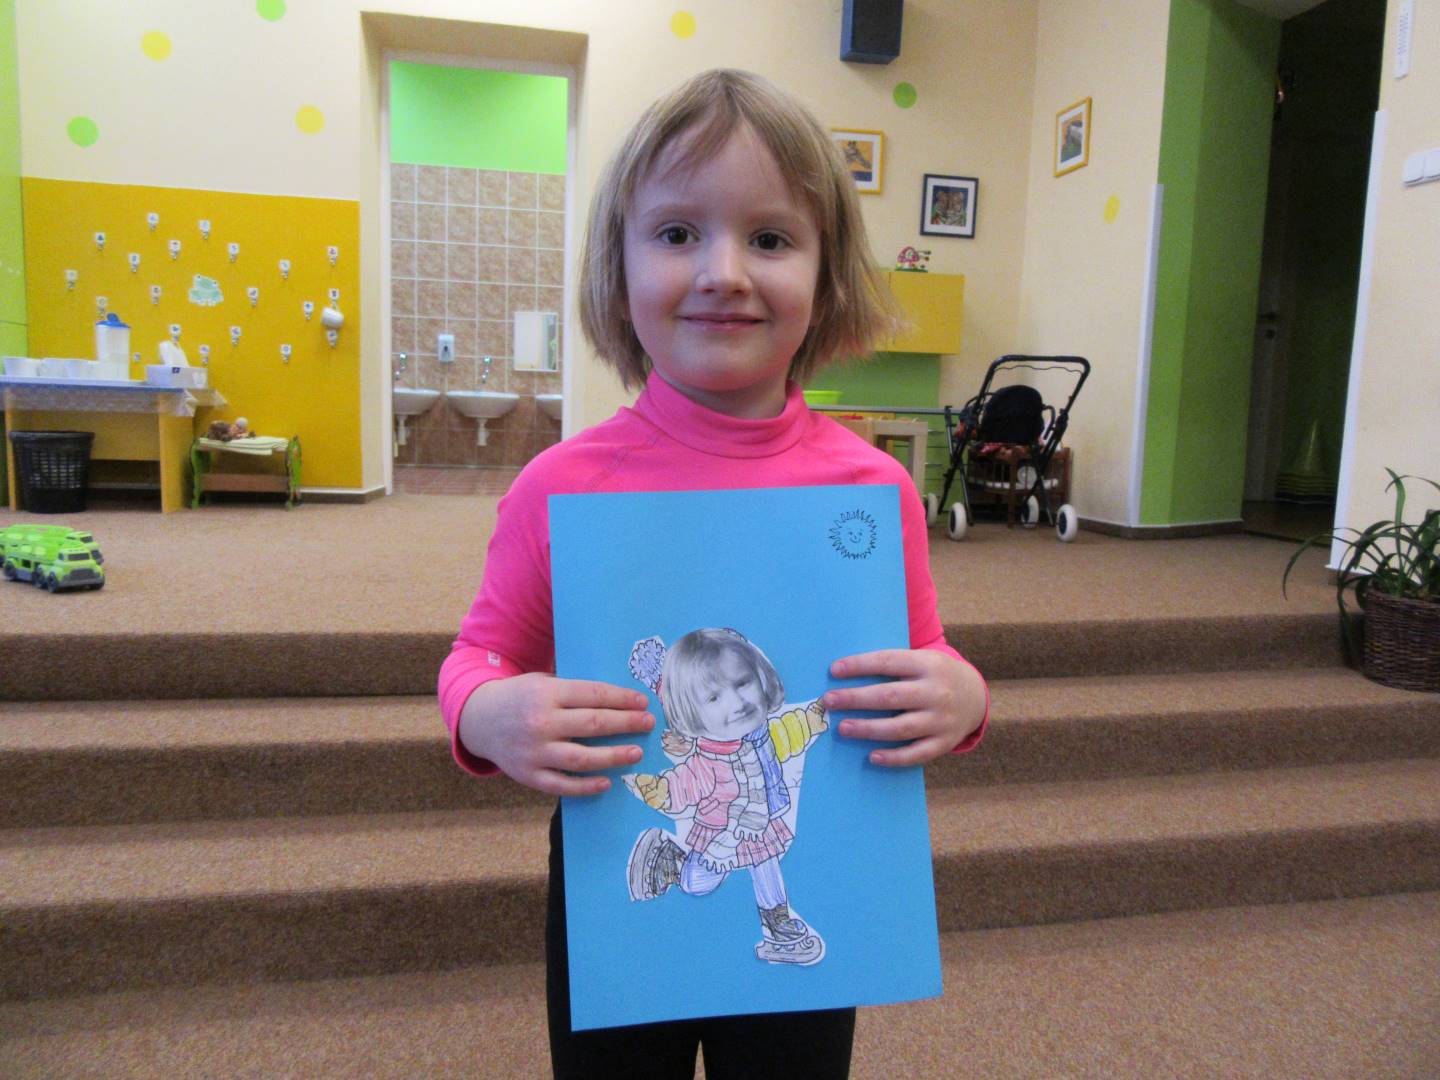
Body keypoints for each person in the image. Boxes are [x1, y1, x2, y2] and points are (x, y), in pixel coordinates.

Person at [438, 67, 989, 1079]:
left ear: (829, 276)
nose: (724, 271)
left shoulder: (872, 489)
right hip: (613, 895)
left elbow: (925, 657)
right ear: (617, 266)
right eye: (678, 233)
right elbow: (480, 654)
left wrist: (963, 696)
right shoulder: (560, 485)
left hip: (815, 864)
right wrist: (486, 714)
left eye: (770, 239)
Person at [622, 628, 830, 967]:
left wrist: (812, 719)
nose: (737, 703)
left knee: (766, 863)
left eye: (743, 682)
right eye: (714, 698)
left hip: (759, 825)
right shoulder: (709, 761)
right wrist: (661, 791)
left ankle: (778, 925)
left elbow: (789, 731)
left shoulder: (765, 736)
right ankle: (671, 862)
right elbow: (684, 784)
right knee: (700, 883)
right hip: (721, 833)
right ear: (692, 713)